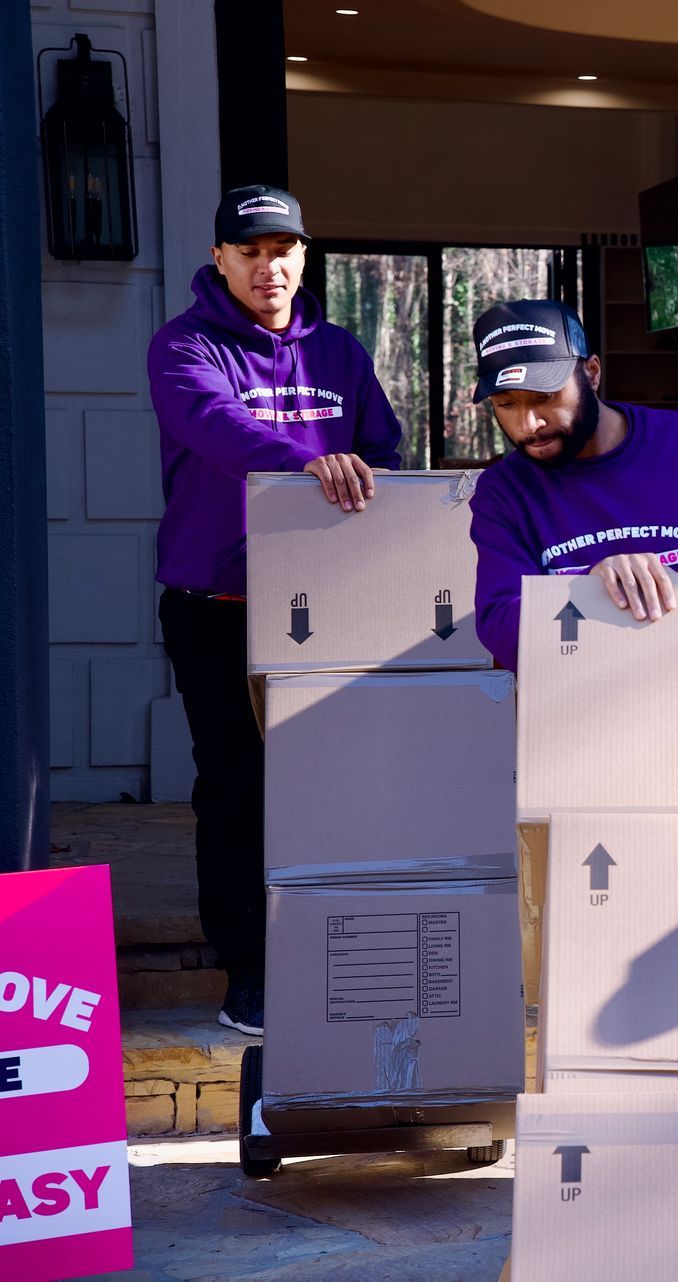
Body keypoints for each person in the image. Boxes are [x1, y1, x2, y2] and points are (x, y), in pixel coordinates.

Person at [148, 184, 405, 1037]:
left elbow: (384, 451)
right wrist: (311, 462)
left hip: (330, 601)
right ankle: (248, 971)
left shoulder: (340, 351)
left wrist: (361, 480)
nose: (270, 266)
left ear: (305, 254)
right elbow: (215, 428)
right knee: (235, 786)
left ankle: (335, 951)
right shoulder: (183, 346)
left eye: (283, 248)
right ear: (220, 259)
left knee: (332, 783)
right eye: (250, 251)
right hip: (218, 604)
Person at [466, 299, 678, 671]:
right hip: (585, 706)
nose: (529, 423)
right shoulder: (503, 491)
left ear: (592, 373)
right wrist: (590, 588)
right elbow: (501, 628)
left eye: (545, 397)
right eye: (506, 404)